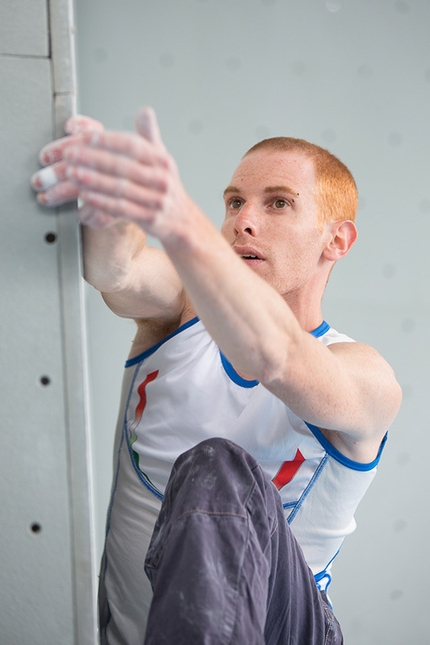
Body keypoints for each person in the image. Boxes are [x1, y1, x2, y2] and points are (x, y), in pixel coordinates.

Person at [31, 107, 401, 645]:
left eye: (278, 203)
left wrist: (176, 214)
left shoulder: (364, 375)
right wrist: (109, 197)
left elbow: (275, 354)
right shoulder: (183, 308)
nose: (242, 221)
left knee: (218, 465)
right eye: (234, 202)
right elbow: (117, 268)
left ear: (337, 241)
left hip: (286, 631)